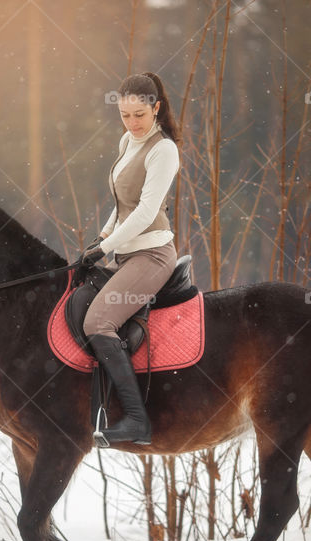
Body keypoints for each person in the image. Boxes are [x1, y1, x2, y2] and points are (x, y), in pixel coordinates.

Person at [79, 71, 181, 446]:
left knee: (98, 322)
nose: (132, 123)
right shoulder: (127, 141)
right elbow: (122, 208)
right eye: (125, 115)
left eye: (139, 114)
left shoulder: (163, 150)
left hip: (151, 254)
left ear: (156, 108)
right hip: (123, 250)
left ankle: (137, 420)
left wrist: (103, 250)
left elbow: (144, 212)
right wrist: (102, 237)